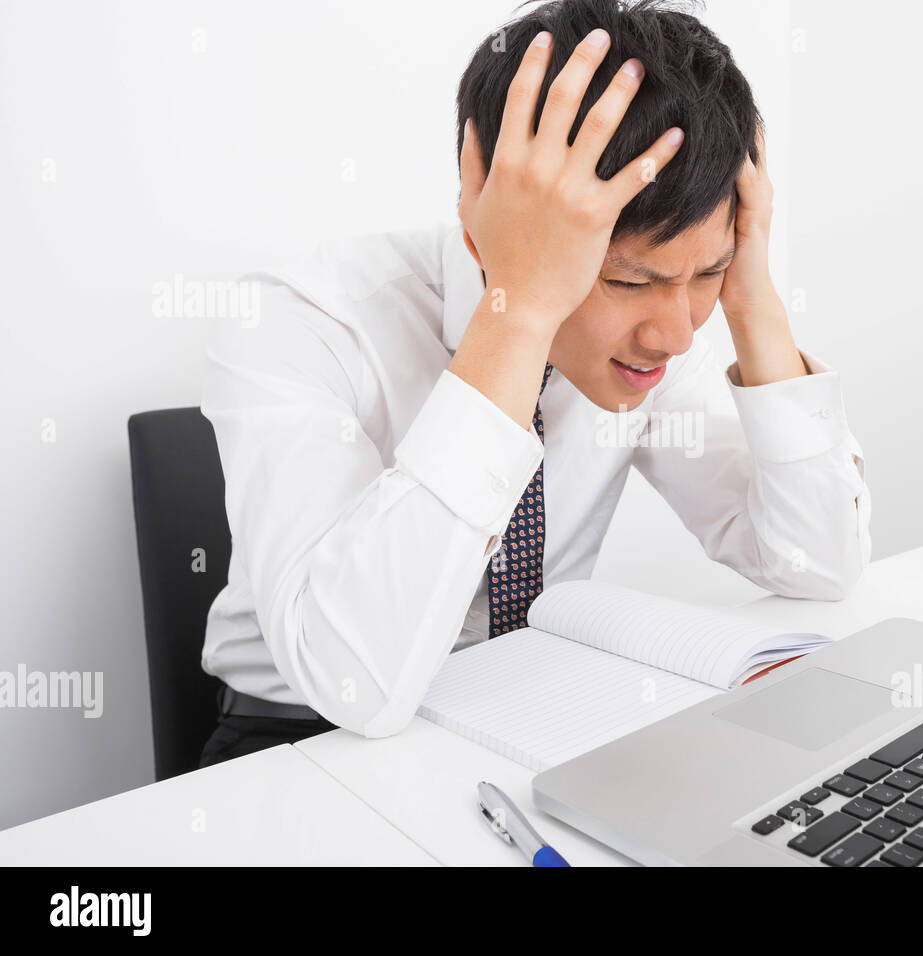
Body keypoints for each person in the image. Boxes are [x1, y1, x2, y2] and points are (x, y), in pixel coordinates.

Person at [197, 0, 871, 768]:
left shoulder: (660, 330)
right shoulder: (299, 319)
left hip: (527, 707)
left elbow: (817, 566)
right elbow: (353, 683)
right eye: (627, 280)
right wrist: (518, 312)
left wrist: (755, 308)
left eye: (709, 271)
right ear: (484, 211)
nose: (677, 335)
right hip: (296, 740)